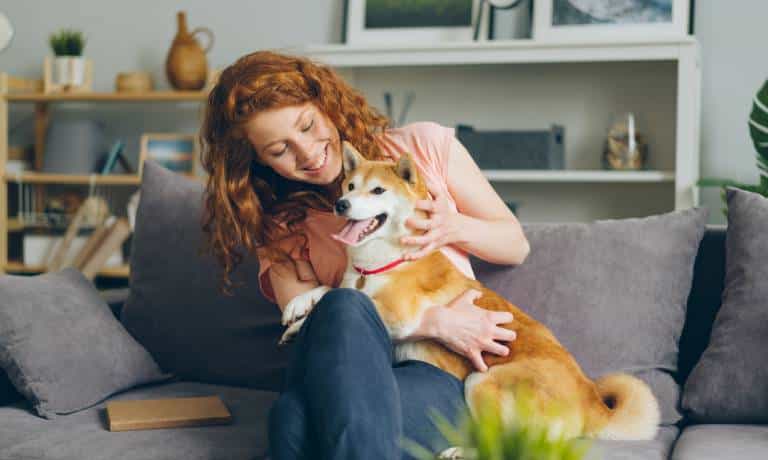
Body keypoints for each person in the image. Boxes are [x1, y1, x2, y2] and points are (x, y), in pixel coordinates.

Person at [199, 50, 530, 460]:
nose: (307, 152)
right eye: (280, 150)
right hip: (338, 368)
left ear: (326, 104)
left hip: (433, 373)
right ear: (258, 162)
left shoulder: (422, 148)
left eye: (307, 126)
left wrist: (455, 226)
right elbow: (310, 326)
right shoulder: (281, 223)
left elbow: (515, 243)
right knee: (341, 304)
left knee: (293, 421)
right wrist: (432, 322)